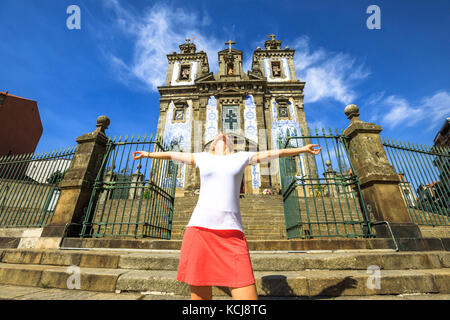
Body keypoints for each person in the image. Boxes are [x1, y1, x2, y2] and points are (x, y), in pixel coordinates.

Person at [132, 133, 321, 300]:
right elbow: (172, 155)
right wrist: (148, 154)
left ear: (231, 144)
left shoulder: (242, 157)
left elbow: (274, 153)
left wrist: (303, 149)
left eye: (226, 137)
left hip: (231, 234)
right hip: (199, 231)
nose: (222, 135)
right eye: (217, 136)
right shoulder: (202, 157)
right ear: (211, 144)